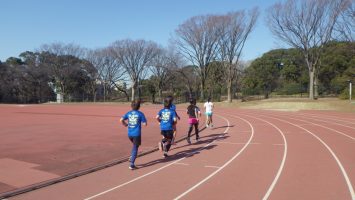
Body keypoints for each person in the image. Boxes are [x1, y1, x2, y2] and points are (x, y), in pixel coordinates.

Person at [120, 100, 147, 170]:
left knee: (135, 145)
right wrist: (143, 122)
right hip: (136, 134)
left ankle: (132, 156)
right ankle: (132, 164)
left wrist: (125, 124)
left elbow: (121, 119)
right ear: (139, 107)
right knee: (135, 147)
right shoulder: (140, 114)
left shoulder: (128, 113)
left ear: (131, 106)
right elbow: (145, 124)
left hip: (129, 134)